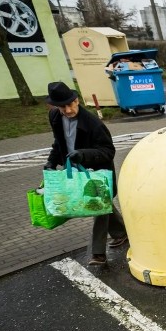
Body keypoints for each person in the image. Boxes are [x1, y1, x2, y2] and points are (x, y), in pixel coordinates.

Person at [43, 81, 128, 267]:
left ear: (76, 101)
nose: (66, 110)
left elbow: (108, 152)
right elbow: (59, 142)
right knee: (104, 205)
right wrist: (52, 161)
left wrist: (83, 155)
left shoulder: (93, 124)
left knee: (98, 205)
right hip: (76, 170)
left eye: (69, 104)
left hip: (98, 172)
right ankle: (121, 233)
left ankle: (98, 253)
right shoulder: (55, 117)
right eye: (61, 107)